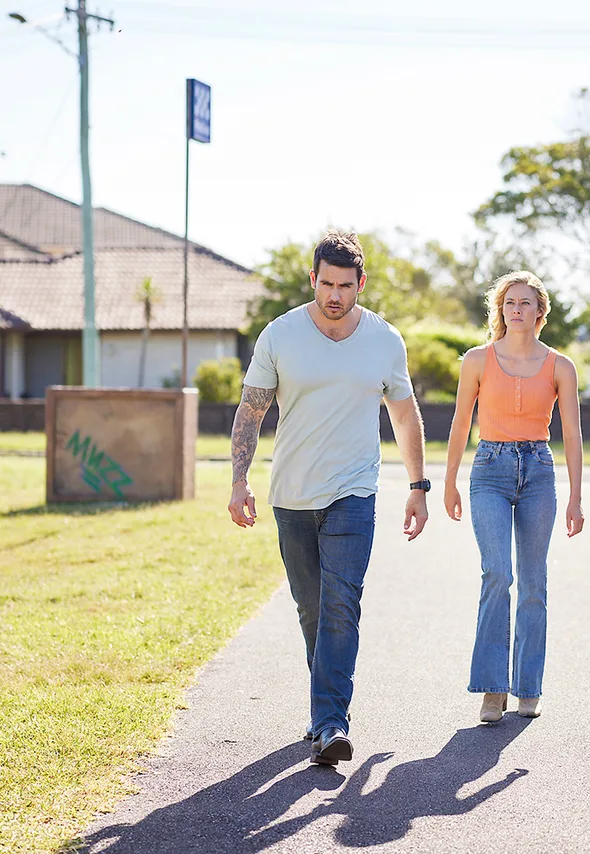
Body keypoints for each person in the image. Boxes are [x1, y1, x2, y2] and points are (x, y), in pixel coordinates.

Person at [227, 229, 430, 765]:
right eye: (326, 284)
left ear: (360, 283)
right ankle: (324, 714)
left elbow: (404, 414)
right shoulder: (280, 334)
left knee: (342, 604)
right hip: (291, 493)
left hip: (354, 491)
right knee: (313, 608)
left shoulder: (385, 340)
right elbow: (251, 410)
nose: (335, 295)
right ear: (312, 279)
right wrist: (238, 479)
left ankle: (330, 722)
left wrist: (417, 486)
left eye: (345, 285)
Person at [444, 270, 584, 723]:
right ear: (500, 310)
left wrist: (576, 498)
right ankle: (491, 689)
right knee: (497, 574)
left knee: (534, 583)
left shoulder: (560, 366)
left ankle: (527, 687)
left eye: (525, 303)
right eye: (509, 303)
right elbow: (461, 423)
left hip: (539, 473)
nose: (516, 310)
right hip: (489, 471)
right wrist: (447, 481)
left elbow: (573, 437)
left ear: (540, 312)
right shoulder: (477, 360)